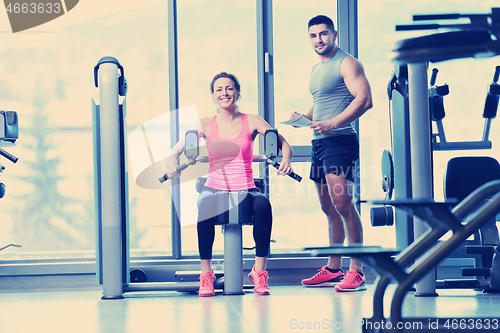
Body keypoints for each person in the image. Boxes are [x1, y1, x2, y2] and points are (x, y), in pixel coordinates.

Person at [165, 72, 294, 296]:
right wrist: (171, 164)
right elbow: (174, 152)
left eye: (229, 88)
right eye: (219, 89)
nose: (225, 93)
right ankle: (207, 274)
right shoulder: (205, 124)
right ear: (213, 95)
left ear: (237, 92)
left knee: (263, 205)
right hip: (214, 189)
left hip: (246, 188)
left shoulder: (251, 120)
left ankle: (259, 271)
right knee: (204, 206)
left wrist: (286, 161)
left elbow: (283, 144)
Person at [292, 15, 373, 292]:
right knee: (328, 208)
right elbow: (322, 102)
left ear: (334, 34)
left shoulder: (347, 63)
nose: (319, 40)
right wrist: (305, 116)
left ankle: (357, 270)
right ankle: (333, 268)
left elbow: (365, 100)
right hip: (319, 142)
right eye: (314, 36)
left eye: (324, 34)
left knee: (343, 205)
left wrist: (333, 123)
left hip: (340, 141)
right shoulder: (317, 69)